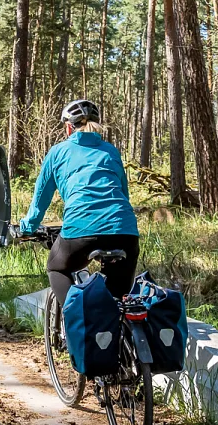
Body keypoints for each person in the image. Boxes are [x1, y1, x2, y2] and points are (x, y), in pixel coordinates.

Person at [19, 99, 140, 306]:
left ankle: (74, 317)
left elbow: (41, 200)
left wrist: (27, 227)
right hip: (125, 231)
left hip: (81, 230)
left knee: (57, 267)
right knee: (117, 301)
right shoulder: (110, 151)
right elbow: (123, 194)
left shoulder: (57, 152)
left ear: (68, 127)